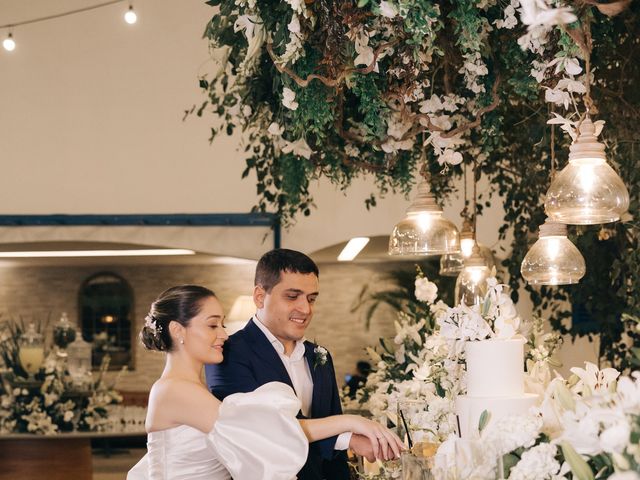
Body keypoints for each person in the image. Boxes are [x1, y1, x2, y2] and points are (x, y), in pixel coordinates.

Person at [127, 285, 402, 480]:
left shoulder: (190, 389)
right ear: (178, 330)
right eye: (212, 325)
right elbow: (269, 432)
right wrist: (351, 422)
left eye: (222, 324)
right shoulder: (174, 391)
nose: (223, 334)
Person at [206, 249, 390, 480]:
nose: (305, 309)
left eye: (311, 298)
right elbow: (261, 433)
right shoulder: (228, 354)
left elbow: (333, 446)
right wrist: (347, 437)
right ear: (260, 296)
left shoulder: (320, 357)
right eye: (292, 297)